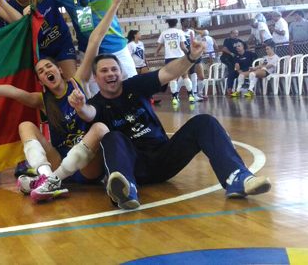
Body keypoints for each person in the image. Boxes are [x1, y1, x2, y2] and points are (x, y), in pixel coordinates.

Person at [0, 0, 126, 203]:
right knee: (26, 125)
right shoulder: (41, 99)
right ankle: (48, 177)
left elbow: (95, 39)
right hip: (60, 159)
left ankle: (51, 181)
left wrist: (114, 4)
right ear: (40, 81)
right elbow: (10, 91)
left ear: (59, 69)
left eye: (49, 66)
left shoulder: (77, 82)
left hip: (88, 167)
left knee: (99, 128)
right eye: (41, 70)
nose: (46, 70)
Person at [72, 39, 271, 210]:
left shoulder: (135, 85)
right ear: (96, 79)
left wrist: (191, 58)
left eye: (114, 69)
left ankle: (236, 178)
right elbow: (90, 114)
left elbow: (167, 72)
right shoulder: (96, 104)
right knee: (111, 136)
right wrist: (81, 107)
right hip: (134, 167)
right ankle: (125, 192)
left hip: (164, 157)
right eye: (104, 71)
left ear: (121, 72)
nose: (110, 74)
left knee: (204, 122)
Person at [154, 19, 192, 106]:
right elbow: (183, 47)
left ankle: (174, 98)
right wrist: (188, 53)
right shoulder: (179, 32)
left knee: (172, 78)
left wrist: (156, 53)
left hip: (169, 58)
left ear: (168, 24)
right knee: (185, 75)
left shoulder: (164, 33)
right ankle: (191, 96)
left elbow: (159, 46)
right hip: (180, 56)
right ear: (176, 24)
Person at [181, 19, 204, 102]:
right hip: (184, 55)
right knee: (183, 76)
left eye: (189, 22)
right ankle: (175, 93)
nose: (188, 23)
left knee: (194, 74)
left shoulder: (191, 31)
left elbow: (194, 41)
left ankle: (194, 94)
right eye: (186, 21)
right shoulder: (179, 32)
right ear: (182, 22)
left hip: (192, 54)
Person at [221, 30, 248, 95]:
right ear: (230, 34)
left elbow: (246, 47)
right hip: (229, 59)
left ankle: (240, 87)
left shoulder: (240, 41)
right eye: (234, 33)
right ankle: (230, 88)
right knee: (231, 72)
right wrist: (232, 54)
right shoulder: (227, 40)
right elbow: (224, 49)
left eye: (237, 33)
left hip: (239, 59)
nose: (235, 34)